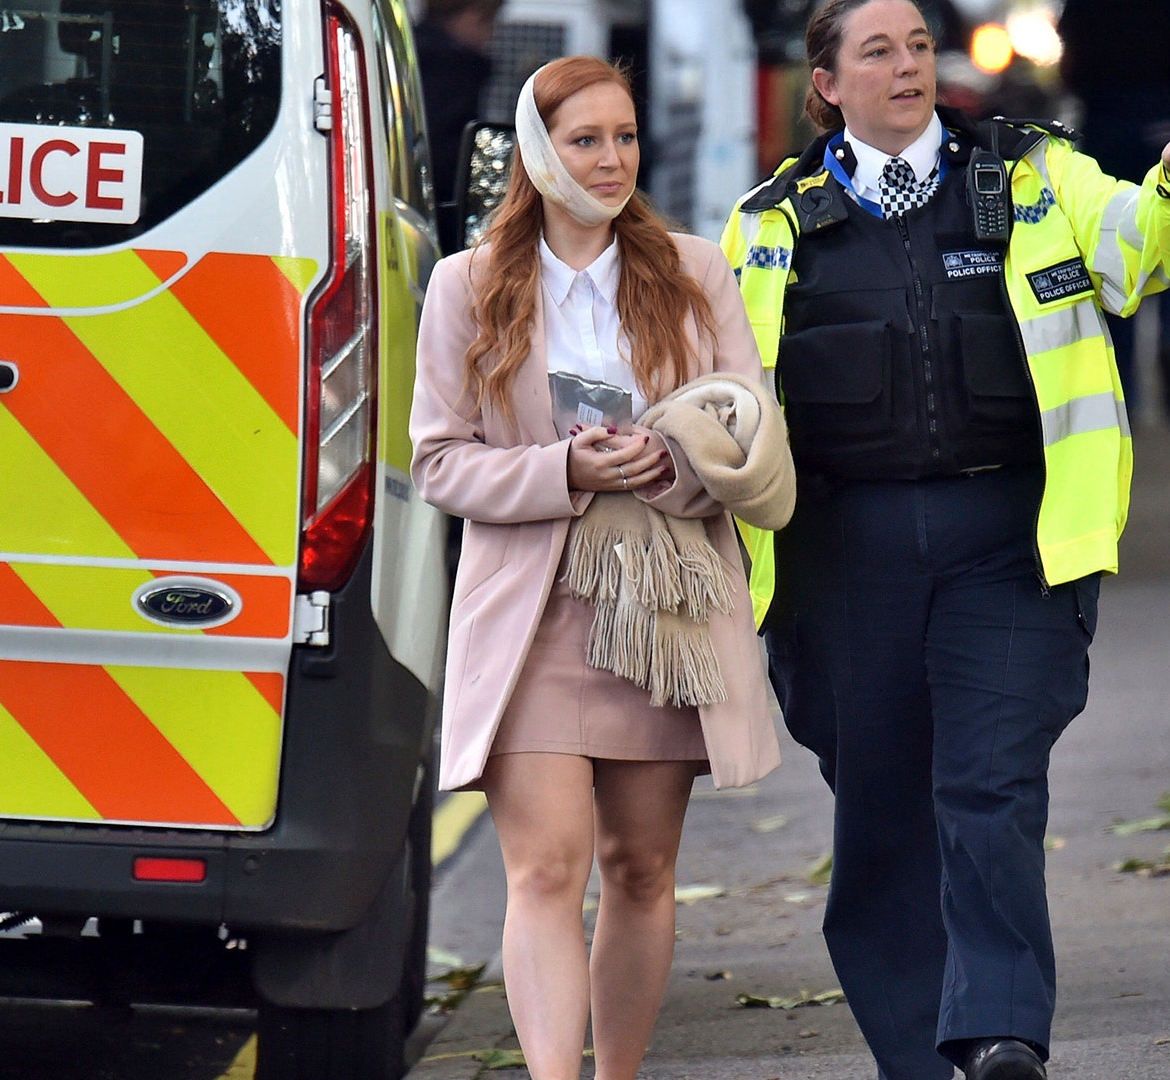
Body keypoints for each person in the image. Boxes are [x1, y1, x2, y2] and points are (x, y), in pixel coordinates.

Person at [719, 1, 1170, 1077]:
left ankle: (1001, 1034)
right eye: (878, 52)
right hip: (839, 561)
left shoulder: (1036, 175)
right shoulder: (766, 223)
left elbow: (1136, 254)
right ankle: (919, 1055)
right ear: (827, 85)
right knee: (884, 813)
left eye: (916, 47)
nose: (907, 67)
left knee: (991, 788)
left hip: (1010, 540)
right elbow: (722, 393)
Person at [410, 56, 785, 1080]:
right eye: (587, 140)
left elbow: (749, 436)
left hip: (663, 605)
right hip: (534, 613)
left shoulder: (694, 272)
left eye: (624, 137)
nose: (613, 160)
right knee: (544, 868)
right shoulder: (469, 283)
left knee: (642, 867)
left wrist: (673, 466)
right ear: (540, 152)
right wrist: (563, 466)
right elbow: (438, 461)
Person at [1057, 0, 1170, 424]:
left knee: (1113, 247)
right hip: (1165, 123)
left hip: (1105, 130)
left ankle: (1125, 392)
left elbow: (1067, 64)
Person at [416, 0, 504, 250]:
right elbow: (450, 163)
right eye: (489, 22)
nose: (491, 36)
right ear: (473, 16)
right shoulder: (456, 70)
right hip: (437, 229)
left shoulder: (401, 56)